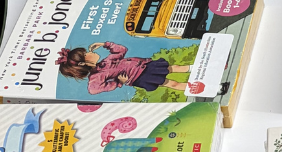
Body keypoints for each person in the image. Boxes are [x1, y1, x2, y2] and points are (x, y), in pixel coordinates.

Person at [56, 42, 190, 95]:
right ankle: (197, 88)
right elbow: (93, 89)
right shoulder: (96, 77)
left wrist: (105, 44)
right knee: (172, 83)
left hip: (146, 65)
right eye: (86, 54)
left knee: (174, 68)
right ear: (81, 64)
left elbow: (122, 50)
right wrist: (119, 82)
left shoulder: (106, 61)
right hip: (140, 77)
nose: (89, 53)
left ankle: (201, 70)